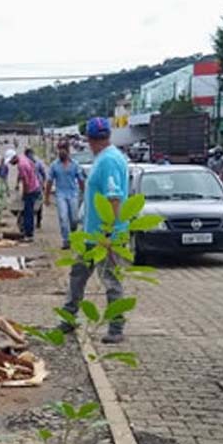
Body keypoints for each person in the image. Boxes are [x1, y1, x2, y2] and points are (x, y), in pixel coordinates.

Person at [59, 117, 129, 344]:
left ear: (88, 139)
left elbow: (114, 197)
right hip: (91, 234)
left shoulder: (108, 161)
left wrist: (109, 233)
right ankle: (68, 318)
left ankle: (116, 327)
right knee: (78, 275)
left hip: (105, 237)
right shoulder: (106, 157)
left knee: (110, 280)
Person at [46, 140, 84, 250]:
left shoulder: (75, 164)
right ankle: (66, 240)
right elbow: (49, 181)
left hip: (73, 194)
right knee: (63, 217)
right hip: (60, 194)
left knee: (74, 219)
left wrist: (85, 194)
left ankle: (73, 235)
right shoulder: (54, 165)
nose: (62, 151)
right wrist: (47, 197)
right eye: (60, 148)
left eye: (64, 148)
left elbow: (81, 180)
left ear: (68, 150)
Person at [10, 150, 41, 242]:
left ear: (14, 158)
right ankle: (28, 232)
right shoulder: (24, 159)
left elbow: (26, 182)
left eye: (11, 161)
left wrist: (25, 193)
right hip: (35, 186)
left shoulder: (21, 165)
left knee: (28, 213)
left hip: (31, 190)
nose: (11, 164)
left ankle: (28, 234)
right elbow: (33, 168)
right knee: (29, 212)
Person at [25, 148, 46, 229]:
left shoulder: (37, 162)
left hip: (37, 186)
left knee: (37, 203)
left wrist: (43, 183)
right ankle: (34, 221)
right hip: (32, 186)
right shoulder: (28, 163)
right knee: (35, 203)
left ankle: (38, 221)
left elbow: (43, 173)